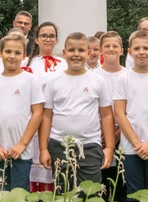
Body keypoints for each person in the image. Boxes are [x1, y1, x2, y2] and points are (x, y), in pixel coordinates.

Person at [39, 32, 115, 189]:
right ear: (64, 53)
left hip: (90, 146)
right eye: (72, 50)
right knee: (63, 195)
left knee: (91, 194)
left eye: (81, 50)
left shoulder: (97, 81)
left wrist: (109, 148)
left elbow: (107, 115)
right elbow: (46, 116)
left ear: (88, 53)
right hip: (59, 145)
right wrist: (43, 149)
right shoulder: (53, 81)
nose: (76, 55)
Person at [0, 32, 44, 191]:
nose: (12, 56)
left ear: (24, 56)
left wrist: (22, 144)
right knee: (0, 193)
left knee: (19, 195)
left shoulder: (31, 80)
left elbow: (38, 113)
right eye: (8, 52)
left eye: (17, 52)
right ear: (0, 53)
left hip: (20, 152)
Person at [114, 30, 148, 199]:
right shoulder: (123, 79)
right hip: (131, 147)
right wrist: (137, 143)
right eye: (137, 48)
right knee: (133, 192)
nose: (141, 52)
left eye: (146, 48)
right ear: (129, 52)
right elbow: (119, 113)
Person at [26, 22, 67, 192]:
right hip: (33, 119)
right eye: (43, 35)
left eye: (51, 36)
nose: (47, 39)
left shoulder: (64, 64)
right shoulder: (27, 64)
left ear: (57, 40)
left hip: (57, 119)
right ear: (36, 39)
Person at [96, 31, 127, 202]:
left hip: (125, 134)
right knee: (103, 181)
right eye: (107, 46)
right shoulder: (93, 76)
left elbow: (132, 109)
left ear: (121, 50)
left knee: (121, 182)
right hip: (99, 135)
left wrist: (117, 134)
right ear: (101, 50)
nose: (111, 49)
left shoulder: (128, 75)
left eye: (115, 46)